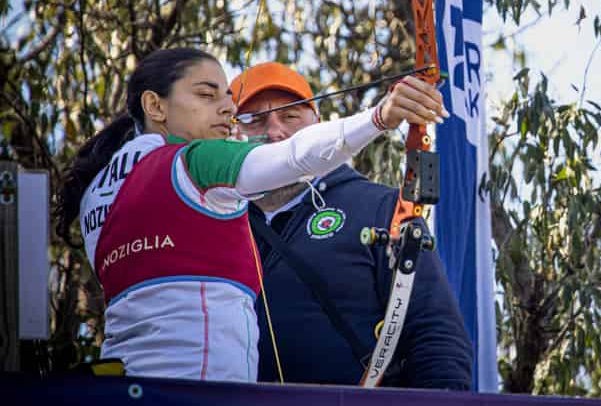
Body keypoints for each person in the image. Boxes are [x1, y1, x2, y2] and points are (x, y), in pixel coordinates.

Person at [56, 47, 446, 381]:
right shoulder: (194, 161)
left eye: (227, 97)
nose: (227, 108)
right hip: (203, 390)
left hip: (132, 385)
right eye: (208, 96)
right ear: (155, 105)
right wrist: (380, 116)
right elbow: (293, 156)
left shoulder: (98, 191)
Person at [228, 61, 473, 389]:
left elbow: (434, 333)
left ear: (318, 126)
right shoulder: (212, 222)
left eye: (290, 116)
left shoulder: (381, 207)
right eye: (254, 119)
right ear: (228, 134)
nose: (275, 132)